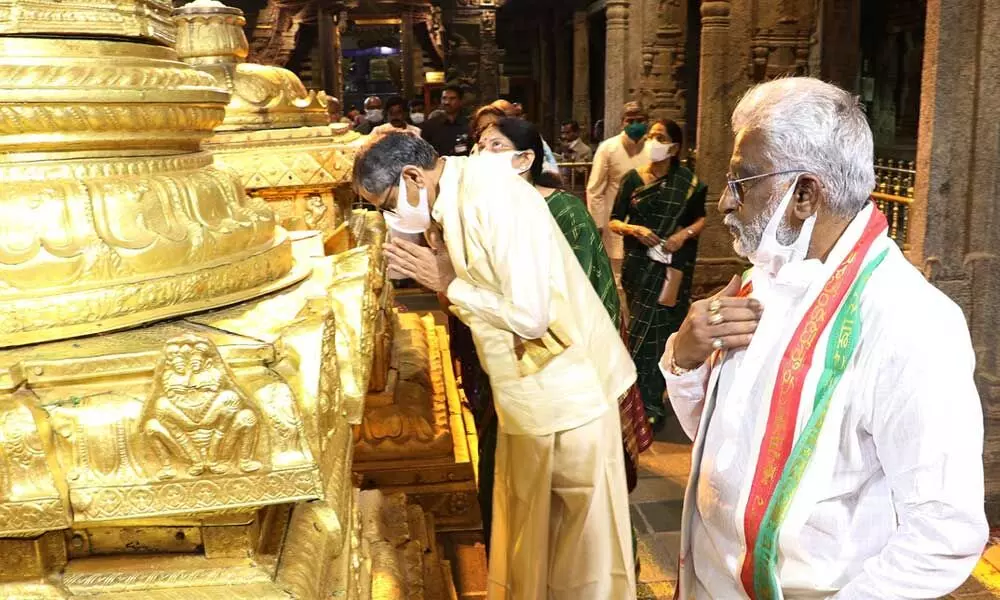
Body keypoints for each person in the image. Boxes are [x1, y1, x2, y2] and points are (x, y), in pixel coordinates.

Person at [661, 77, 987, 599]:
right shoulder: (762, 279)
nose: (725, 201)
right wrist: (686, 358)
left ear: (805, 194)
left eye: (742, 182)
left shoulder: (909, 321)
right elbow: (725, 443)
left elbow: (943, 534)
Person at [353, 133, 637, 599]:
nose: (390, 216)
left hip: (570, 395)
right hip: (528, 397)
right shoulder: (453, 196)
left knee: (585, 547)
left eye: (386, 204)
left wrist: (447, 284)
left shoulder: (491, 196)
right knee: (534, 534)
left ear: (411, 176)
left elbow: (530, 315)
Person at [609, 119, 705, 430]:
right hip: (639, 267)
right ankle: (636, 399)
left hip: (671, 270)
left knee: (661, 331)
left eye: (659, 136)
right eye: (651, 135)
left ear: (674, 148)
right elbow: (614, 221)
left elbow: (700, 218)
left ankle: (651, 401)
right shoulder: (632, 180)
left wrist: (684, 235)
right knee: (640, 331)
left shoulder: (689, 184)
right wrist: (633, 229)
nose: (652, 140)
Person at [587, 101, 650, 285]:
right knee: (617, 278)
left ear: (647, 121)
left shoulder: (654, 147)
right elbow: (595, 189)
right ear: (622, 122)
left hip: (647, 222)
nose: (635, 125)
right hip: (615, 220)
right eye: (630, 121)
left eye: (639, 120)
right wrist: (597, 224)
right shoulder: (608, 148)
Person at [421, 84, 471, 156]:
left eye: (452, 98)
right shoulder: (430, 125)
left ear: (461, 101)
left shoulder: (469, 125)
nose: (447, 102)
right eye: (444, 98)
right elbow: (424, 151)